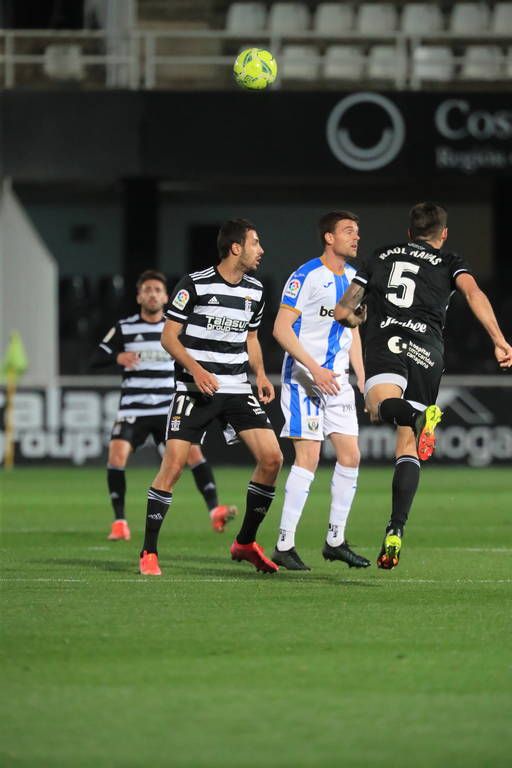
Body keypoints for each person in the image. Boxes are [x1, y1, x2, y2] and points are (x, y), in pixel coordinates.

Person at [335, 201, 512, 569]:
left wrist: (356, 317)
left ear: (409, 231)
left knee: (378, 404)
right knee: (407, 443)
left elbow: (343, 309)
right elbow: (474, 294)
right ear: (442, 235)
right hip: (428, 353)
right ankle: (395, 528)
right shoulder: (450, 261)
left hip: (387, 343)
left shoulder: (381, 254)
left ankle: (419, 418)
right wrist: (498, 339)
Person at [138, 220, 283, 576]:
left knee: (273, 458)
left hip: (236, 387)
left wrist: (260, 374)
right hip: (194, 388)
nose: (261, 250)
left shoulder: (256, 289)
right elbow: (169, 337)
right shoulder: (195, 284)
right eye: (255, 242)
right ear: (236, 248)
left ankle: (245, 542)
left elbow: (251, 338)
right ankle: (148, 551)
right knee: (172, 467)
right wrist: (197, 370)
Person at [92, 270, 237, 542]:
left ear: (167, 297)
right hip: (133, 409)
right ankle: (120, 522)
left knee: (193, 454)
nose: (152, 294)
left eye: (157, 290)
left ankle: (214, 510)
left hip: (167, 408)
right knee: (116, 456)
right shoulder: (125, 327)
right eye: (146, 289)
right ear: (138, 297)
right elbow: (95, 358)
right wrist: (117, 356)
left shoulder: (176, 329)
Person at [271, 211, 370, 571]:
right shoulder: (306, 275)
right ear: (329, 238)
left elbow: (352, 331)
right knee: (308, 458)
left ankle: (335, 540)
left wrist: (363, 377)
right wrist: (314, 370)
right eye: (348, 231)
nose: (356, 237)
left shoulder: (357, 281)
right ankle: (284, 543)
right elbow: (281, 329)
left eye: (357, 232)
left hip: (339, 380)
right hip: (304, 378)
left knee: (351, 456)